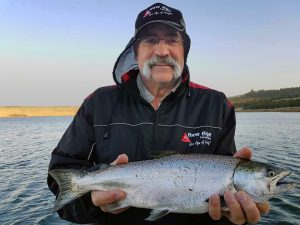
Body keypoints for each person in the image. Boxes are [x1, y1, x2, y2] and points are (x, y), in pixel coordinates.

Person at [47, 3, 269, 225]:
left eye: (172, 40)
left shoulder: (217, 104)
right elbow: (61, 181)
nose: (162, 51)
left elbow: (221, 202)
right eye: (150, 40)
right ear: (135, 51)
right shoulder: (98, 102)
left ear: (184, 50)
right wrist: (94, 204)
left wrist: (230, 216)